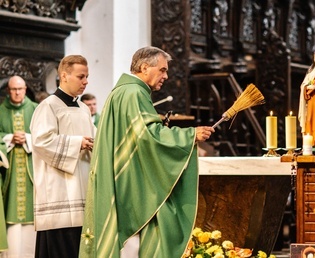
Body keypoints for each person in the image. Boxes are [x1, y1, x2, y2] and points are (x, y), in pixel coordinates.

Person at [79, 46, 214, 257]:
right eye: (162, 70)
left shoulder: (124, 91)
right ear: (144, 67)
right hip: (130, 183)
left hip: (119, 175)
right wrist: (190, 135)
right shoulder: (134, 93)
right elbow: (149, 135)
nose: (166, 76)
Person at [30, 55, 96, 257]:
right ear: (64, 76)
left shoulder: (84, 109)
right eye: (81, 76)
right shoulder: (48, 106)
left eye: (87, 77)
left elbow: (95, 137)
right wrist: (78, 143)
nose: (85, 81)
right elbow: (41, 141)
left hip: (83, 188)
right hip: (59, 192)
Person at [0, 75, 38, 257]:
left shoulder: (36, 110)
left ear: (25, 90)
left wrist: (28, 138)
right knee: (12, 224)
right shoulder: (1, 111)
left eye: (20, 89)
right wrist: (8, 138)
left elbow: (46, 137)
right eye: (13, 89)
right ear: (8, 91)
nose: (17, 93)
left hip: (32, 173)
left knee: (31, 223)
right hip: (10, 174)